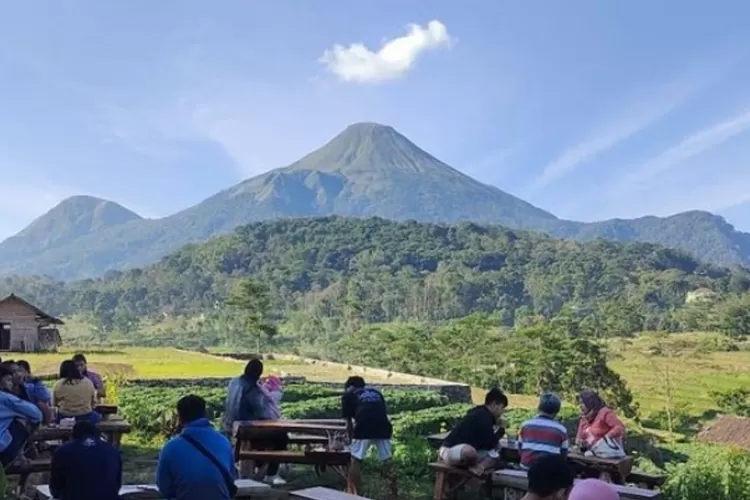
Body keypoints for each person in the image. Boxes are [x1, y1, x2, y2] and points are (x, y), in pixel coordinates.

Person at [157, 395, 237, 500]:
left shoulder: (170, 448)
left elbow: (164, 489)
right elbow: (231, 478)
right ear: (205, 414)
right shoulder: (224, 442)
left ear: (180, 418)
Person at [223, 358, 288, 485]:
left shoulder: (233, 382)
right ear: (258, 374)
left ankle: (259, 465)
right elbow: (262, 412)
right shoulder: (252, 388)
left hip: (229, 426)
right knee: (281, 437)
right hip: (245, 430)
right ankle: (271, 473)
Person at [341, 376, 397, 498]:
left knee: (355, 459)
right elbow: (380, 411)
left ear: (350, 387)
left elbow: (349, 423)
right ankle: (394, 492)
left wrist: (351, 442)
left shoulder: (348, 395)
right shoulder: (376, 392)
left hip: (364, 425)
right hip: (383, 425)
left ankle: (353, 495)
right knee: (387, 459)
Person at [439, 387, 508, 475]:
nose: (502, 412)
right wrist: (501, 429)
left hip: (457, 453)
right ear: (495, 405)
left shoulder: (479, 412)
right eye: (502, 408)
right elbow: (489, 443)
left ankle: (479, 467)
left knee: (496, 454)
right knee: (471, 452)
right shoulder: (483, 417)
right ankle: (480, 466)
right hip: (452, 451)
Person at [49, 420, 122, 500]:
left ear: (73, 435)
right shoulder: (112, 450)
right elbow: (117, 484)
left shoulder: (62, 451)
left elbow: (55, 489)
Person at [0, 363, 42, 467]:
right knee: (23, 419)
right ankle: (19, 456)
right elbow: (37, 415)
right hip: (3, 452)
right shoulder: (6, 398)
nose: (11, 384)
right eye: (8, 380)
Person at [518, 393, 569, 468]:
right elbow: (563, 454)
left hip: (526, 467)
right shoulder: (561, 430)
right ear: (557, 411)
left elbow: (520, 449)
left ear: (539, 408)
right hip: (549, 470)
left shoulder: (525, 425)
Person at [53, 360, 100, 424]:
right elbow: (93, 402)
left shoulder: (59, 384)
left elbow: (55, 404)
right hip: (85, 415)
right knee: (97, 416)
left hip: (65, 416)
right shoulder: (88, 382)